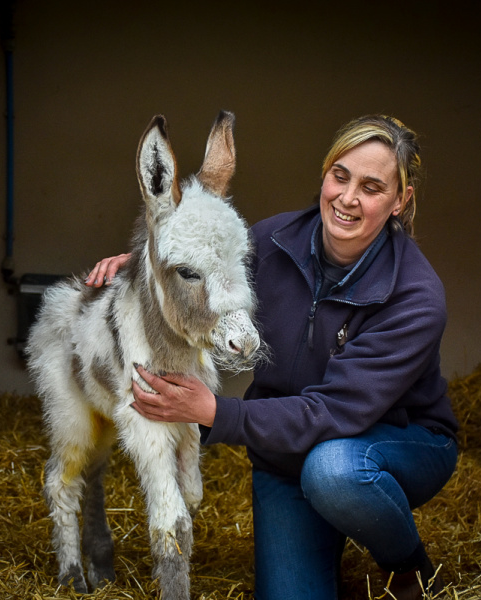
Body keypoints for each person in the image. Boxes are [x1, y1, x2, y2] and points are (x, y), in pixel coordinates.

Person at [86, 115, 458, 600]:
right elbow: (204, 263)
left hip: (391, 442)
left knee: (333, 472)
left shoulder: (416, 297)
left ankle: (407, 568)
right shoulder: (272, 240)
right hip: (285, 453)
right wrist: (149, 265)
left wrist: (216, 413)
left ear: (399, 203)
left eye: (371, 187)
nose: (347, 198)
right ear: (324, 175)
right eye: (339, 176)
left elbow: (334, 413)